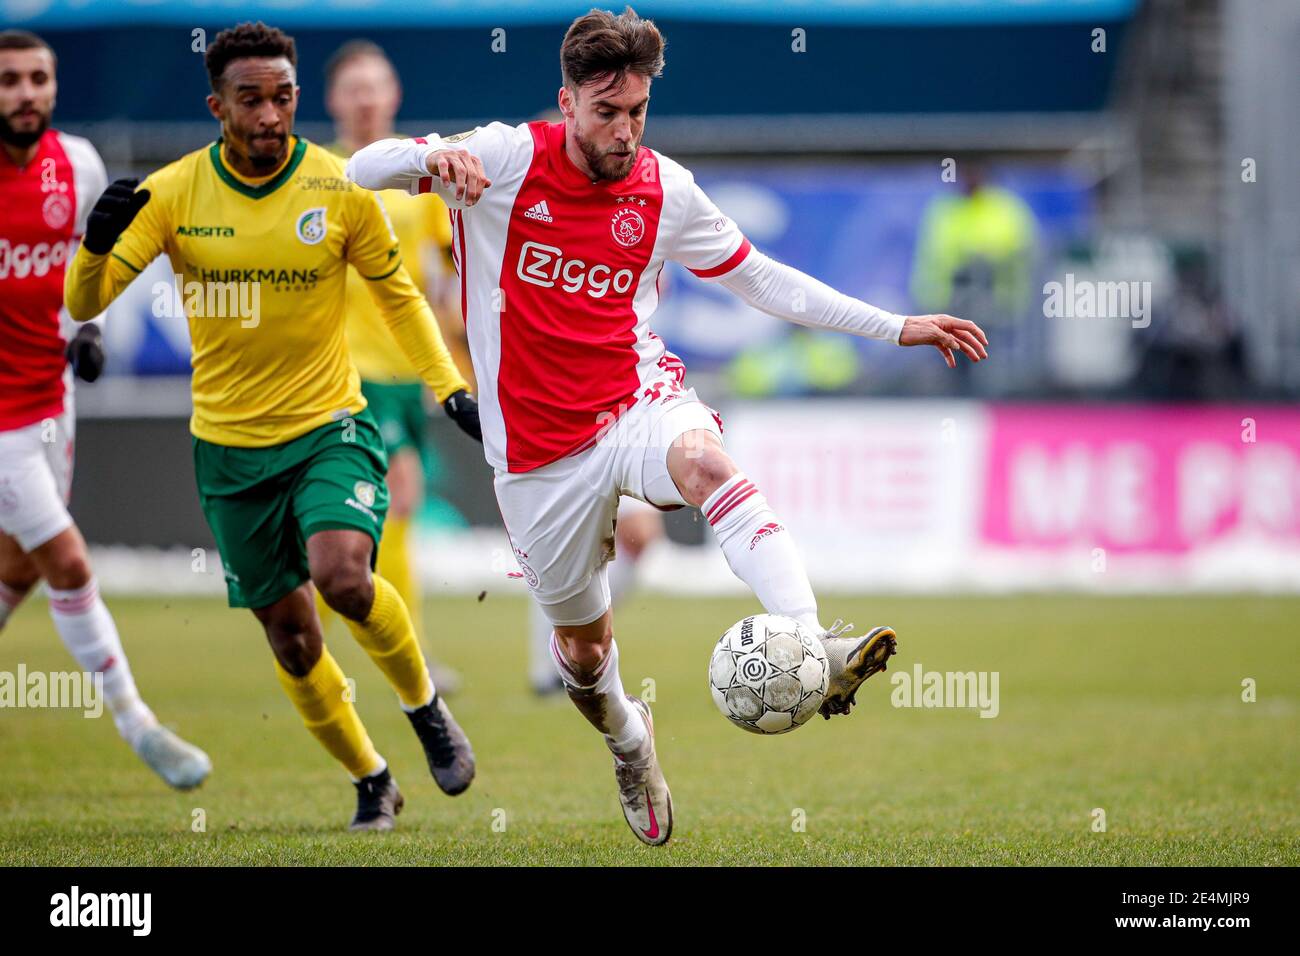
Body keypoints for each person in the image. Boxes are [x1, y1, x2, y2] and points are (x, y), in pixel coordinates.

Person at [347, 7, 987, 845]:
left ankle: (810, 644)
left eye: (637, 112)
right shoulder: (505, 159)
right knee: (581, 657)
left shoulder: (664, 190)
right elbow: (362, 167)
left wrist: (894, 324)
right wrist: (431, 155)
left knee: (707, 464)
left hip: (634, 400)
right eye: (605, 112)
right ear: (566, 101)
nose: (623, 130)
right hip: (536, 453)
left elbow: (764, 280)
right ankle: (629, 740)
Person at [64, 22, 481, 831]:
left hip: (330, 423)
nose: (268, 115)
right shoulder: (176, 192)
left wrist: (450, 386)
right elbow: (88, 302)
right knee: (292, 639)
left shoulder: (336, 187)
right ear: (216, 105)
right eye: (249, 99)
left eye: (281, 97)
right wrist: (93, 245)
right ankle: (370, 775)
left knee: (344, 578)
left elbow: (401, 297)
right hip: (228, 449)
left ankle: (425, 707)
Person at [0, 29, 210, 789]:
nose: (25, 93)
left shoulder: (80, 165)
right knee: (67, 559)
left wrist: (85, 334)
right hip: (0, 426)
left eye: (37, 79)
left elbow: (85, 275)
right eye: (9, 81)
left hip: (50, 403)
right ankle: (140, 725)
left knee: (19, 569)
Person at [322, 39, 465, 695]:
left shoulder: (419, 176)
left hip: (408, 370)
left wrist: (451, 363)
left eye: (375, 85)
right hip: (344, 366)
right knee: (399, 498)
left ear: (394, 95)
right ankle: (412, 653)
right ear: (333, 100)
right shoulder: (315, 172)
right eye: (353, 87)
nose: (365, 97)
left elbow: (444, 282)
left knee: (377, 511)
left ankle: (331, 621)